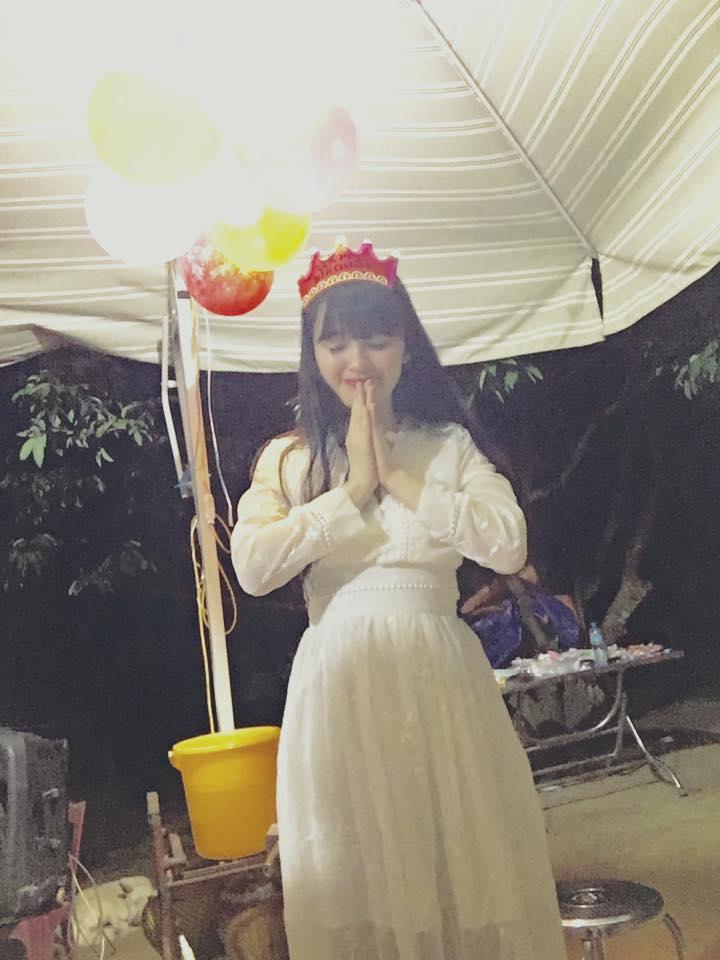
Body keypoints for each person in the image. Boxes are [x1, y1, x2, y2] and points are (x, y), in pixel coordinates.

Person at [230, 242, 565, 960]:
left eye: (376, 339)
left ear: (406, 346)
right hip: (339, 687)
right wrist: (352, 490)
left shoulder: (447, 445)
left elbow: (508, 545)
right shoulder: (287, 458)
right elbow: (253, 568)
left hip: (440, 680)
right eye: (336, 343)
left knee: (460, 861)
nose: (358, 360)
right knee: (356, 872)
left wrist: (398, 476)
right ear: (312, 354)